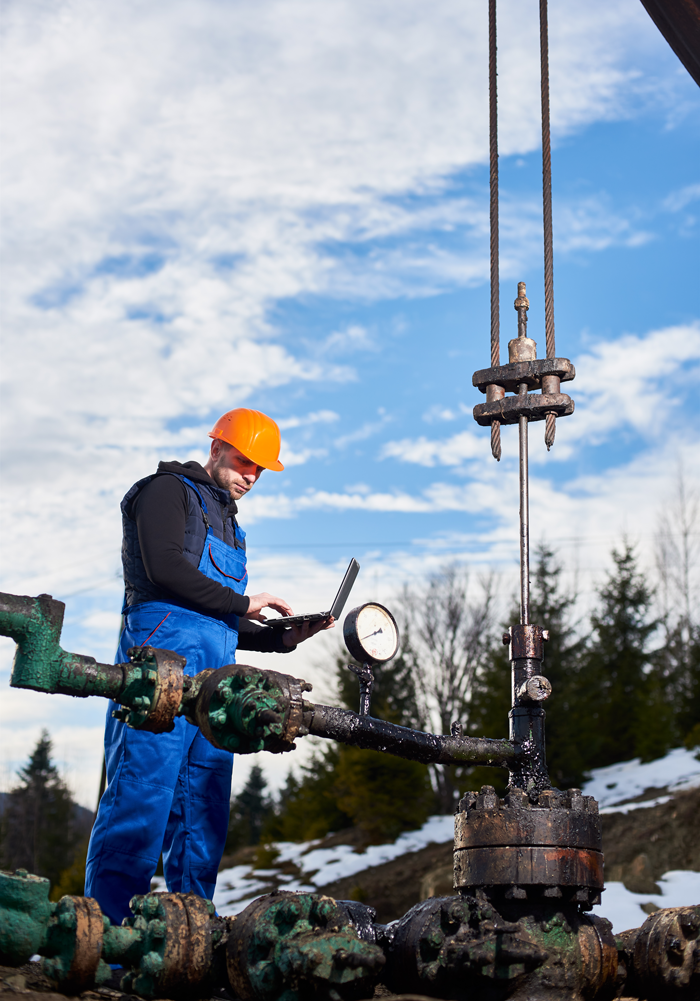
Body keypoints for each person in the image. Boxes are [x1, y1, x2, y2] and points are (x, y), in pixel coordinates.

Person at [85, 408, 331, 923]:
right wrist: (244, 604)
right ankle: (103, 938)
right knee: (141, 796)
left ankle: (188, 936)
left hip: (216, 682)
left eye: (261, 470)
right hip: (160, 667)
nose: (251, 476)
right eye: (246, 462)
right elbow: (166, 568)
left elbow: (218, 617)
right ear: (217, 447)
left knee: (205, 811)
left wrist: (279, 640)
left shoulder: (231, 524)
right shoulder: (165, 491)